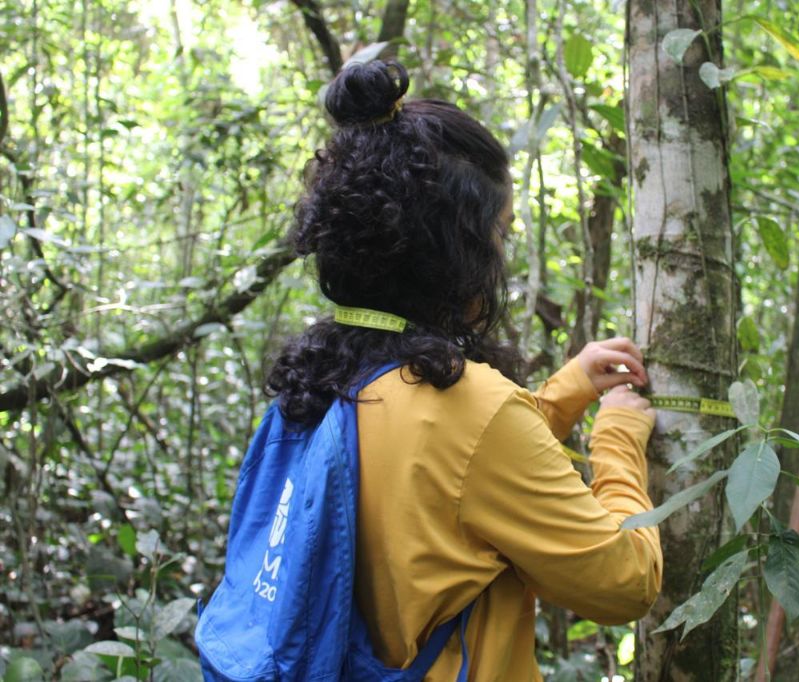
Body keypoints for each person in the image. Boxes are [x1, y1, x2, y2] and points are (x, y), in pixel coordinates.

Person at [265, 59, 662, 681]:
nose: (500, 257)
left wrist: (568, 390)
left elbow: (446, 480)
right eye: (498, 236)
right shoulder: (470, 409)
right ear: (458, 249)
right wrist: (618, 437)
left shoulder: (321, 376)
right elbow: (625, 582)